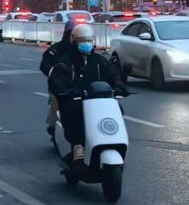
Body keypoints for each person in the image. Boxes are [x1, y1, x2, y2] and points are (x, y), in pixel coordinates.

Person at [48, 24, 127, 161]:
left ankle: (114, 139)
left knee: (118, 108)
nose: (86, 43)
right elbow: (57, 80)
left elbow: (113, 75)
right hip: (77, 100)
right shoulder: (66, 62)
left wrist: (119, 86)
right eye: (82, 40)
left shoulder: (99, 61)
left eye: (89, 40)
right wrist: (65, 90)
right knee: (72, 111)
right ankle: (77, 145)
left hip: (99, 101)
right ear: (74, 41)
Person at [40, 20, 75, 135]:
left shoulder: (84, 51)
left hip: (80, 84)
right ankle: (54, 124)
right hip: (61, 86)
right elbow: (45, 65)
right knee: (58, 101)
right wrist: (56, 74)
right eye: (71, 34)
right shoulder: (56, 49)